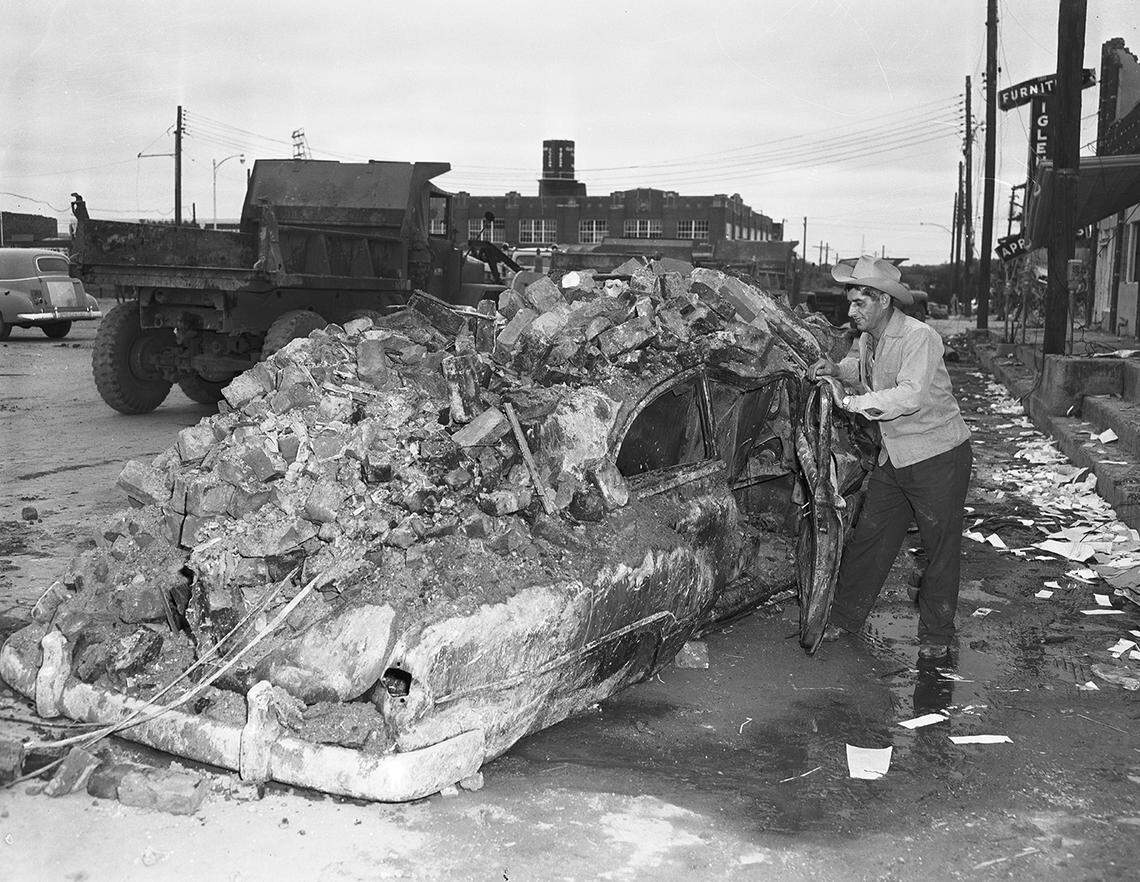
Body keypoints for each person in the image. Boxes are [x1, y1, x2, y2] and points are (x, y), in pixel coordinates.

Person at [809, 255, 972, 659]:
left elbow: (910, 394)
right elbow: (856, 365)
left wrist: (853, 403)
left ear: (883, 300)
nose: (851, 311)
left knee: (940, 547)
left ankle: (936, 636)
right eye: (850, 301)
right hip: (896, 455)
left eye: (859, 303)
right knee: (871, 537)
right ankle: (845, 618)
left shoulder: (920, 338)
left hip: (938, 455)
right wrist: (836, 369)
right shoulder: (868, 338)